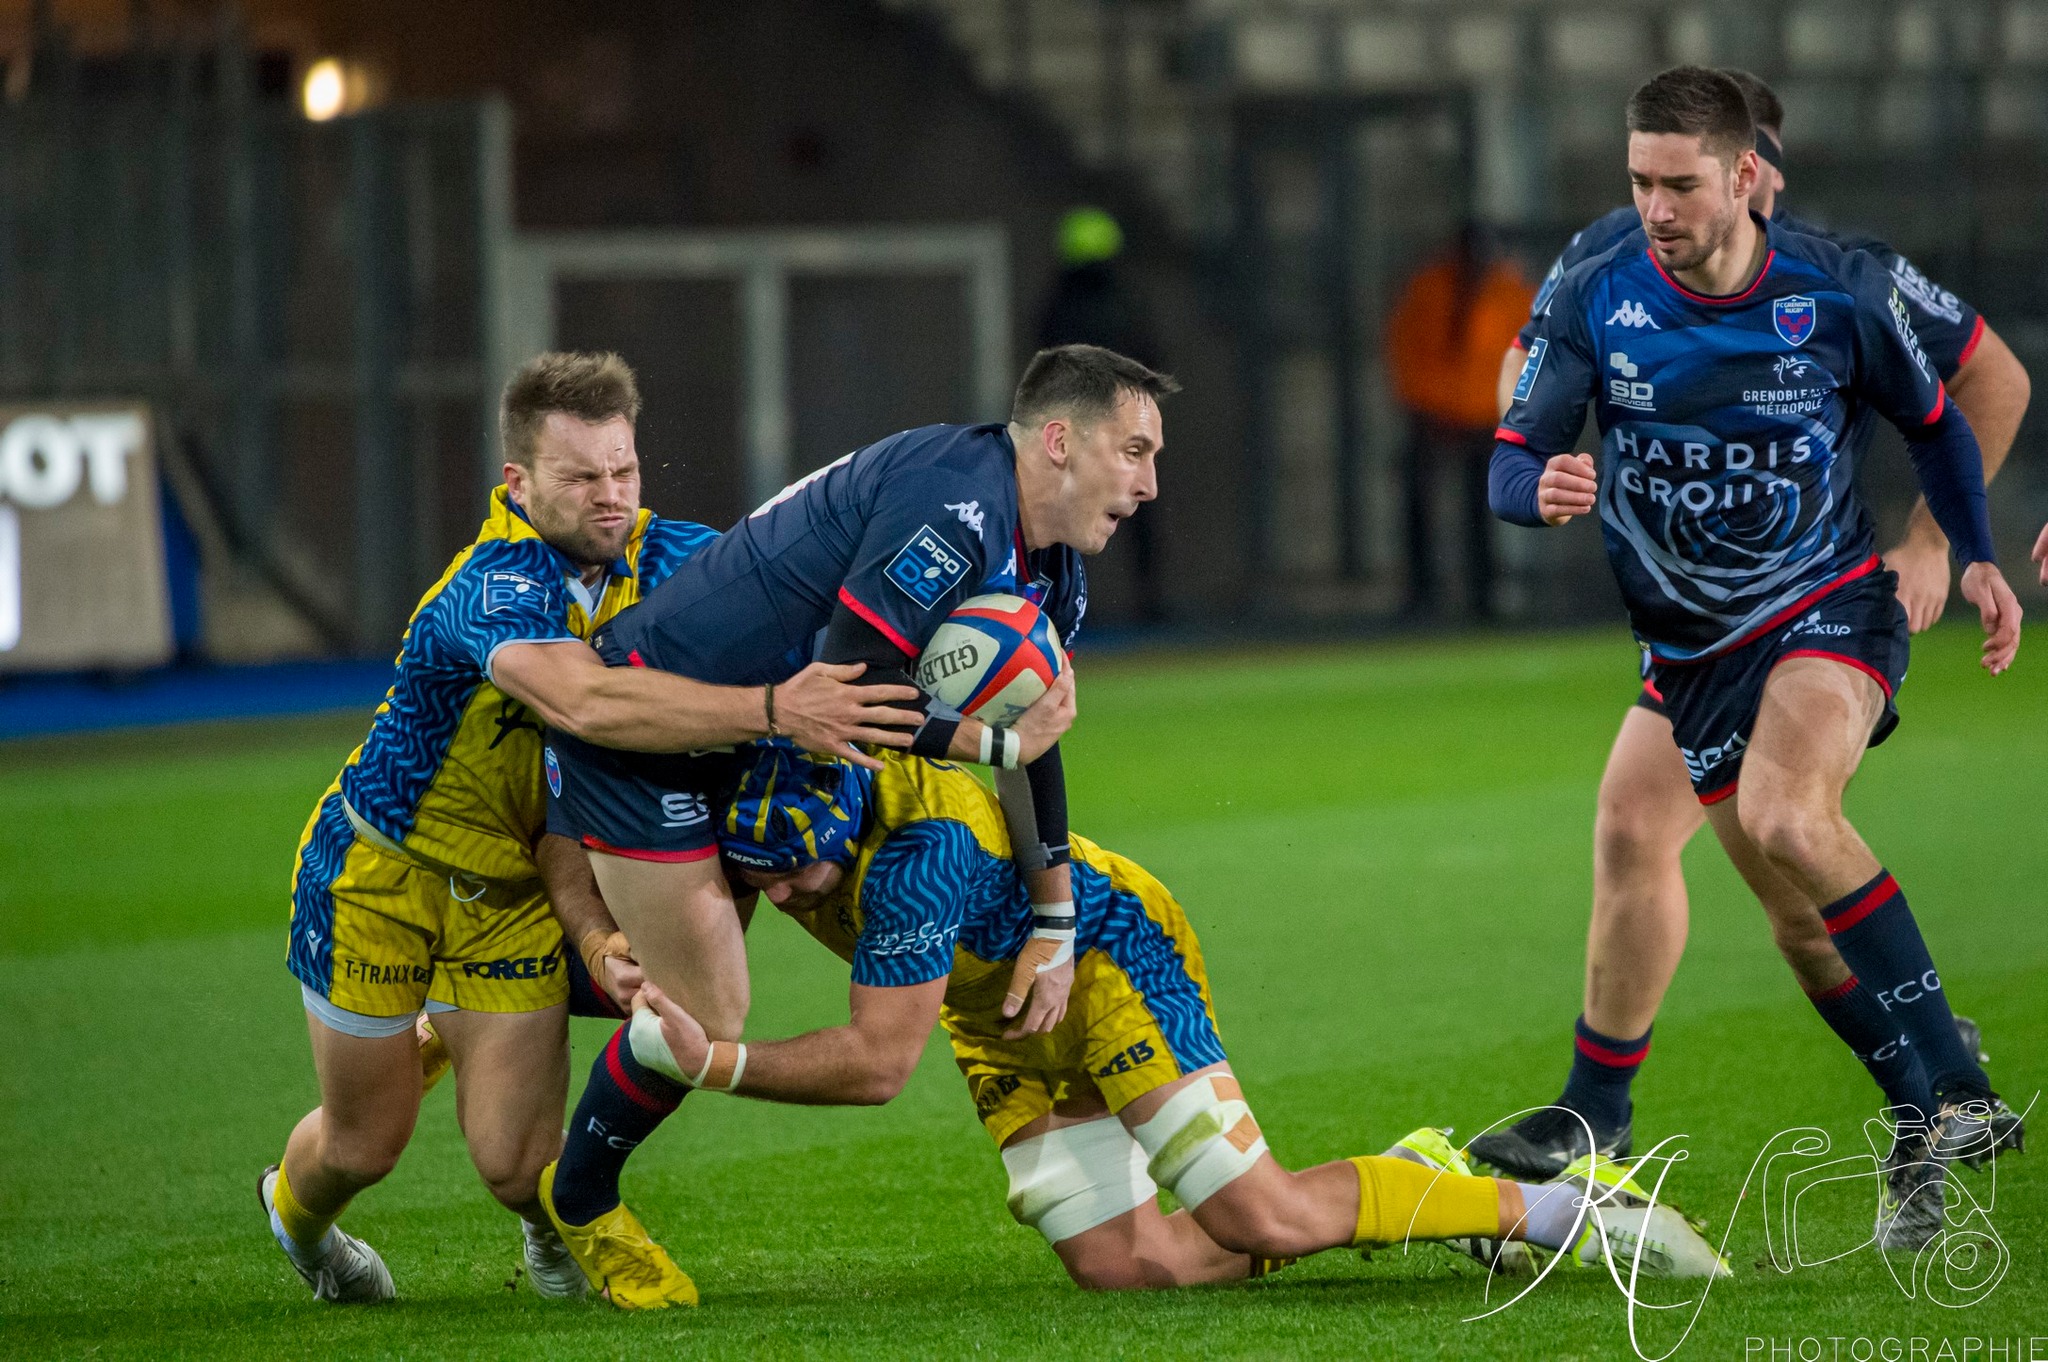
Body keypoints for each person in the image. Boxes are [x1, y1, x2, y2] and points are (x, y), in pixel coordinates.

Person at [1488, 67, 2024, 1252]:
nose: (1658, 207)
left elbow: (1975, 389)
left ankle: (1945, 1087)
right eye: (1641, 181)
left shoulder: (1843, 279)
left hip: (1818, 604)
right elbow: (1518, 420)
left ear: (1751, 174)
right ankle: (1889, 1108)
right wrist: (1538, 474)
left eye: (1686, 180)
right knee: (1738, 883)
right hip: (1686, 636)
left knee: (1786, 820)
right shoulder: (1599, 268)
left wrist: (1941, 546)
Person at [261, 352, 921, 1304]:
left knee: (516, 1165)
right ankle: (302, 1221)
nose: (612, 497)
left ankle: (549, 1227)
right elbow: (590, 708)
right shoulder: (489, 588)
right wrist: (777, 709)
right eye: (581, 478)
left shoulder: (677, 556)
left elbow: (826, 596)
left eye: (625, 470)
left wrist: (995, 656)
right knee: (365, 1144)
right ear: (518, 484)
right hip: (380, 876)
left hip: (518, 894)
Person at [534, 344, 1175, 1307]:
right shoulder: (955, 513)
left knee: (699, 969)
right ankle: (576, 1197)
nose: (1150, 482)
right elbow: (857, 695)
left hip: (767, 739)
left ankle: (510, 998)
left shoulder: (1053, 569)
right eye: (1134, 450)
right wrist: (997, 747)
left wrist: (1053, 920)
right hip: (655, 726)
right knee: (709, 1012)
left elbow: (1026, 727)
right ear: (1058, 442)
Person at [624, 743, 1729, 1288]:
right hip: (987, 999)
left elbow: (873, 1067)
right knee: (1127, 1267)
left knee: (1265, 1224)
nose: (774, 898)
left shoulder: (918, 856)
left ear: (844, 828)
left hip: (1106, 957)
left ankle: (1559, 1212)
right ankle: (1410, 1177)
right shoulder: (787, 816)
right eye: (755, 877)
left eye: (794, 880)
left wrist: (706, 1062)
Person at [1386, 224, 1536, 618]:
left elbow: (1527, 356)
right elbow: (1406, 348)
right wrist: (1424, 405)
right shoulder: (1430, 289)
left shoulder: (1509, 293)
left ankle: (1482, 595)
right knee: (1419, 501)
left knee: (1483, 505)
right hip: (1433, 414)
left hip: (1486, 416)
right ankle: (1422, 592)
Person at [1037, 208, 1168, 622]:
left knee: (1069, 518)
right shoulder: (1127, 306)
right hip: (1126, 432)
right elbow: (1152, 362)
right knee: (1139, 516)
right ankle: (1151, 607)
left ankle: (1069, 609)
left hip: (1077, 436)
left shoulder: (1056, 309)